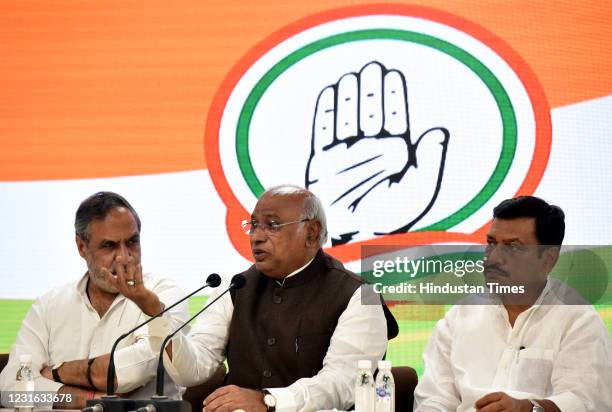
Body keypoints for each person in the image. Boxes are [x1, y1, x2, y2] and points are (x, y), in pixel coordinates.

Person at [157, 185, 397, 412]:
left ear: (311, 233)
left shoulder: (359, 293)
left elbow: (344, 383)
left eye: (272, 225)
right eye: (253, 225)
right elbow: (193, 370)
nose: (256, 237)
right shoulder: (235, 286)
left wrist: (269, 401)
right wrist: (155, 315)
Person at [414, 196, 612, 412]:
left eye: (513, 247)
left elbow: (586, 401)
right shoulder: (461, 315)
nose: (494, 257)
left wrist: (530, 408)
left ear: (548, 259)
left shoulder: (577, 319)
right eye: (491, 243)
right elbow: (434, 400)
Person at [0, 191, 188, 409]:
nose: (125, 257)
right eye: (109, 246)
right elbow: (11, 389)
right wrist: (85, 399)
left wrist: (56, 372)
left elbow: (128, 373)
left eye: (132, 242)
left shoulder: (164, 295)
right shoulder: (49, 304)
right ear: (81, 247)